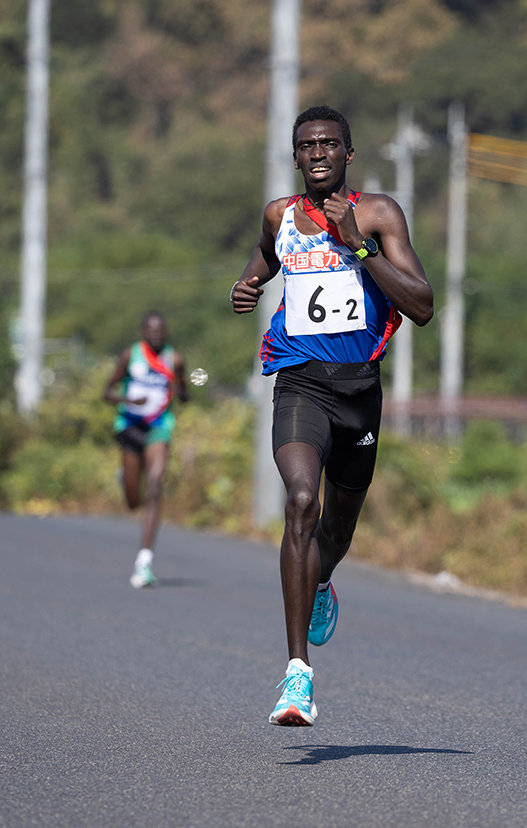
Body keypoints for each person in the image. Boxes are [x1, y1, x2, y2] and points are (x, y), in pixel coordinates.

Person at [231, 105, 434, 726]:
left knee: (338, 531)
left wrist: (361, 248)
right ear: (296, 158)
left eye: (328, 143)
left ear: (349, 152)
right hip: (301, 384)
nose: (317, 152)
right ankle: (297, 676)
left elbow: (422, 304)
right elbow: (267, 255)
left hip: (359, 394)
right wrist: (249, 281)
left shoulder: (379, 214)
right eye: (306, 145)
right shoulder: (280, 215)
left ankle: (322, 581)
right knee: (300, 500)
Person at [103, 311, 189, 588]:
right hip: (129, 425)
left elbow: (185, 394)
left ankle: (144, 560)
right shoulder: (130, 355)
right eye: (151, 330)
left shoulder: (174, 360)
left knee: (154, 484)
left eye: (160, 330)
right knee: (132, 501)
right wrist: (127, 399)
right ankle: (125, 479)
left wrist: (183, 388)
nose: (156, 334)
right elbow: (107, 391)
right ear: (143, 331)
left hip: (158, 428)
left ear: (166, 332)